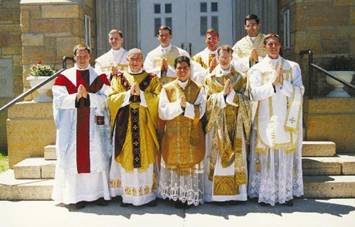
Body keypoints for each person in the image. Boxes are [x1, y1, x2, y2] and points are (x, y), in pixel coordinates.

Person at [52, 44, 111, 209]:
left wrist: (89, 97)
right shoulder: (64, 77)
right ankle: (75, 196)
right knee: (74, 158)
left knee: (97, 156)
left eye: (85, 55)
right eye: (79, 56)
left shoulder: (99, 76)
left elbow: (107, 98)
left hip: (94, 126)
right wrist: (77, 97)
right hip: (72, 126)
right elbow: (58, 100)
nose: (82, 58)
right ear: (74, 57)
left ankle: (99, 194)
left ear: (90, 57)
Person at [248, 33, 304, 206]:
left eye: (276, 44)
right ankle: (266, 194)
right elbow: (253, 93)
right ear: (264, 47)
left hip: (287, 119)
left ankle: (284, 194)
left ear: (280, 46)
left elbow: (299, 91)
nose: (273, 47)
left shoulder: (292, 67)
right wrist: (272, 85)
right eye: (269, 44)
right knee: (267, 158)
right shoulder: (256, 69)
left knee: (284, 156)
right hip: (265, 117)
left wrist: (283, 84)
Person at [107, 48, 161, 206]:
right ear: (127, 61)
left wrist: (142, 95)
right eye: (132, 59)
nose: (135, 62)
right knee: (127, 156)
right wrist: (128, 94)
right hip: (125, 123)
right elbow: (110, 98)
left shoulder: (152, 79)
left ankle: (148, 195)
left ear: (143, 61)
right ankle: (127, 195)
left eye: (138, 59)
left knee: (146, 156)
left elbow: (159, 99)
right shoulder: (119, 78)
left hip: (145, 124)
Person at [204, 45, 251, 203]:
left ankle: (237, 194)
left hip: (235, 124)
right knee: (217, 156)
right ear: (216, 58)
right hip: (218, 124)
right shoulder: (210, 78)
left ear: (232, 57)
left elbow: (246, 99)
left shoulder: (240, 78)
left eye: (227, 57)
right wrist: (222, 96)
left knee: (237, 155)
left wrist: (233, 96)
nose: (224, 60)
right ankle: (215, 195)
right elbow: (207, 102)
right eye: (221, 57)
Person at [158, 56, 206, 207]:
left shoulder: (198, 88)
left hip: (192, 133)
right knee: (175, 165)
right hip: (173, 135)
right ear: (175, 69)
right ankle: (174, 196)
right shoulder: (167, 88)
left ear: (190, 69)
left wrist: (186, 107)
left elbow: (202, 110)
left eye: (185, 68)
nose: (182, 71)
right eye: (179, 68)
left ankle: (189, 196)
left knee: (189, 166)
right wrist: (179, 106)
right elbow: (162, 112)